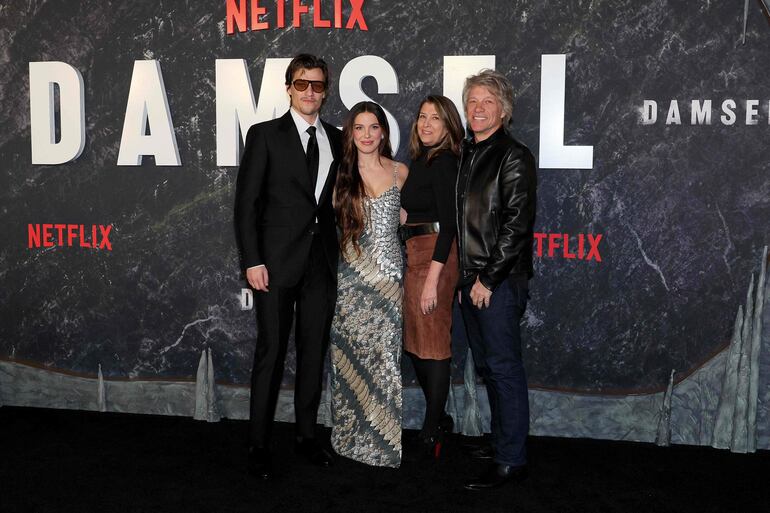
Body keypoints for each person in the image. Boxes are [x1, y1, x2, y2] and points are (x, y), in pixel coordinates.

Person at [234, 54, 342, 479]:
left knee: (313, 354)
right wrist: (252, 261)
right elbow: (246, 206)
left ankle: (305, 438)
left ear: (326, 90)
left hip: (320, 265)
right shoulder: (264, 135)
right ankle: (259, 444)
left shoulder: (337, 137)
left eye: (317, 85)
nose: (310, 92)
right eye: (302, 85)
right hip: (274, 266)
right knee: (271, 353)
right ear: (288, 88)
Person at [455, 70, 537, 490]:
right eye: (472, 101)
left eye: (487, 101)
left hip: (497, 282)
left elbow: (516, 224)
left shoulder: (513, 155)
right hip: (471, 281)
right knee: (489, 366)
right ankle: (504, 442)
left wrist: (488, 279)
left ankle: (511, 460)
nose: (478, 108)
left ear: (503, 110)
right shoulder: (469, 152)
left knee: (503, 369)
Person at [329, 101, 409, 468]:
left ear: (383, 132)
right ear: (351, 133)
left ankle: (383, 443)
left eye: (372, 127)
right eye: (358, 128)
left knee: (385, 364)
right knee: (350, 361)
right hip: (351, 284)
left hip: (390, 284)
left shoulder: (400, 173)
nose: (366, 134)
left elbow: (412, 217)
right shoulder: (338, 175)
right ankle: (349, 439)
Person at [399, 95, 464, 458]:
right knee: (419, 343)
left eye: (435, 119)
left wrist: (432, 279)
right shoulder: (422, 160)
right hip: (417, 252)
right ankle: (439, 419)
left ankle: (432, 429)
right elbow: (420, 211)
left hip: (435, 255)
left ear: (448, 125)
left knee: (433, 345)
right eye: (422, 117)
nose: (425, 124)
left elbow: (450, 223)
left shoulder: (444, 161)